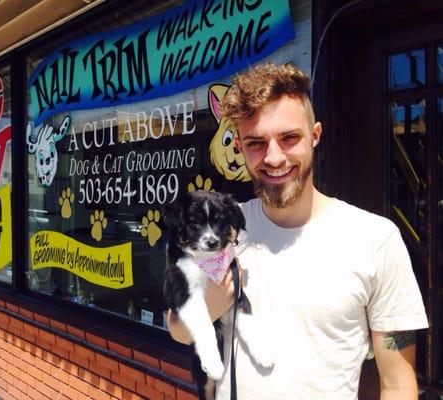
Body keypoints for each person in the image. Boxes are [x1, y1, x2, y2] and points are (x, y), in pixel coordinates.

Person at [166, 63, 428, 399]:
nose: (274, 157)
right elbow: (177, 329)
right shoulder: (224, 235)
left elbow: (397, 384)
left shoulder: (375, 240)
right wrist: (209, 306)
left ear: (315, 135)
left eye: (289, 138)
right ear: (240, 148)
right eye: (256, 143)